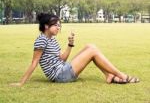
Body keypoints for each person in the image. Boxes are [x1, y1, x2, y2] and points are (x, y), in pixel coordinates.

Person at [10, 13, 139, 87]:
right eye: (55, 25)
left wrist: (70, 45)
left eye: (59, 25)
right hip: (60, 76)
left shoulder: (52, 39)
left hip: (63, 68)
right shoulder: (41, 40)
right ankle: (121, 75)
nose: (58, 28)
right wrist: (21, 83)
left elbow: (62, 58)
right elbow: (34, 63)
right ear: (46, 26)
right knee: (92, 50)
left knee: (90, 46)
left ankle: (109, 75)